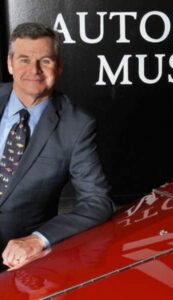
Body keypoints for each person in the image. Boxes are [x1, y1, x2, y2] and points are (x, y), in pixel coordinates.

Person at [0, 22, 114, 269]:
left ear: (59, 67)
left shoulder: (77, 125)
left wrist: (37, 240)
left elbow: (97, 201)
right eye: (24, 60)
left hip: (17, 263)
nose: (34, 70)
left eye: (45, 61)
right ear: (10, 64)